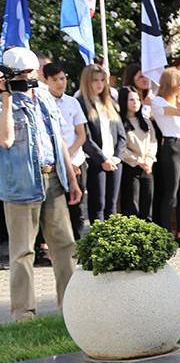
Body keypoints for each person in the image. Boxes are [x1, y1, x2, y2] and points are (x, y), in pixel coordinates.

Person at [0, 47, 83, 321]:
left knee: (65, 246)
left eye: (30, 72)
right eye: (20, 74)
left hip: (53, 179)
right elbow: (6, 140)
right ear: (8, 75)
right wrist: (6, 98)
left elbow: (58, 139)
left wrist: (71, 178)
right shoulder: (3, 101)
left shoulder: (45, 96)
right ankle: (24, 314)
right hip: (21, 185)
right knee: (22, 251)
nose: (27, 78)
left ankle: (70, 307)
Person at [149, 67, 180, 247]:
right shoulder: (158, 101)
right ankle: (166, 231)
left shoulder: (177, 101)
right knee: (172, 191)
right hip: (171, 145)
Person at [42, 62, 88, 238]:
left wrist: (67, 158)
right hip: (53, 163)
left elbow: (81, 135)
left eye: (62, 78)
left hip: (75, 159)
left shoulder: (72, 102)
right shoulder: (42, 103)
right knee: (55, 208)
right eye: (55, 80)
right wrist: (62, 161)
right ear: (46, 80)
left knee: (77, 207)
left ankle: (78, 242)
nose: (60, 83)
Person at [78, 63, 125, 224]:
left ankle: (111, 236)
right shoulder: (81, 103)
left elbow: (121, 134)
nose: (99, 84)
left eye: (102, 80)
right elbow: (86, 138)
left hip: (114, 161)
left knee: (112, 204)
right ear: (87, 82)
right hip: (95, 161)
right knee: (98, 204)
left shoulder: (109, 102)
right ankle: (99, 236)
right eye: (95, 80)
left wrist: (117, 157)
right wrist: (103, 159)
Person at [117, 86, 156, 220]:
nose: (136, 103)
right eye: (131, 100)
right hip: (130, 167)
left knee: (147, 204)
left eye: (138, 99)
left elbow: (153, 141)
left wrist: (149, 160)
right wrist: (138, 161)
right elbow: (121, 147)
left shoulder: (146, 121)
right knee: (132, 205)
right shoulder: (119, 122)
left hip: (147, 167)